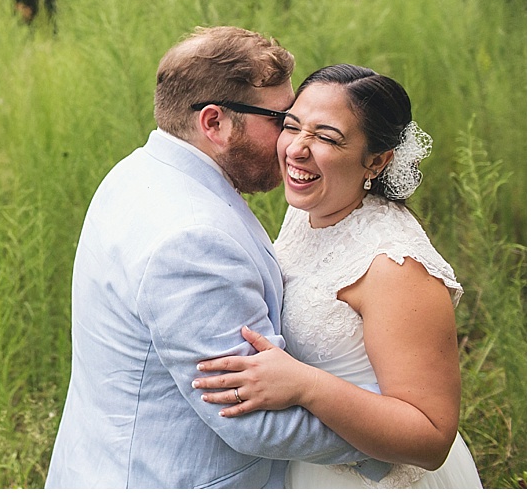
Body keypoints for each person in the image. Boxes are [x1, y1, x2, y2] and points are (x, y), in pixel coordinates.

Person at [45, 28, 391, 488]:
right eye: (282, 120)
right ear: (215, 123)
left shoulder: (137, 172)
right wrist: (391, 437)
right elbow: (249, 419)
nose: (290, 142)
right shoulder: (192, 239)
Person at [192, 64, 482, 488]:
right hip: (309, 463)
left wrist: (305, 386)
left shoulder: (395, 266)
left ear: (377, 161)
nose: (296, 149)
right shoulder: (307, 210)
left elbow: (431, 438)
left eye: (326, 137)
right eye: (292, 126)